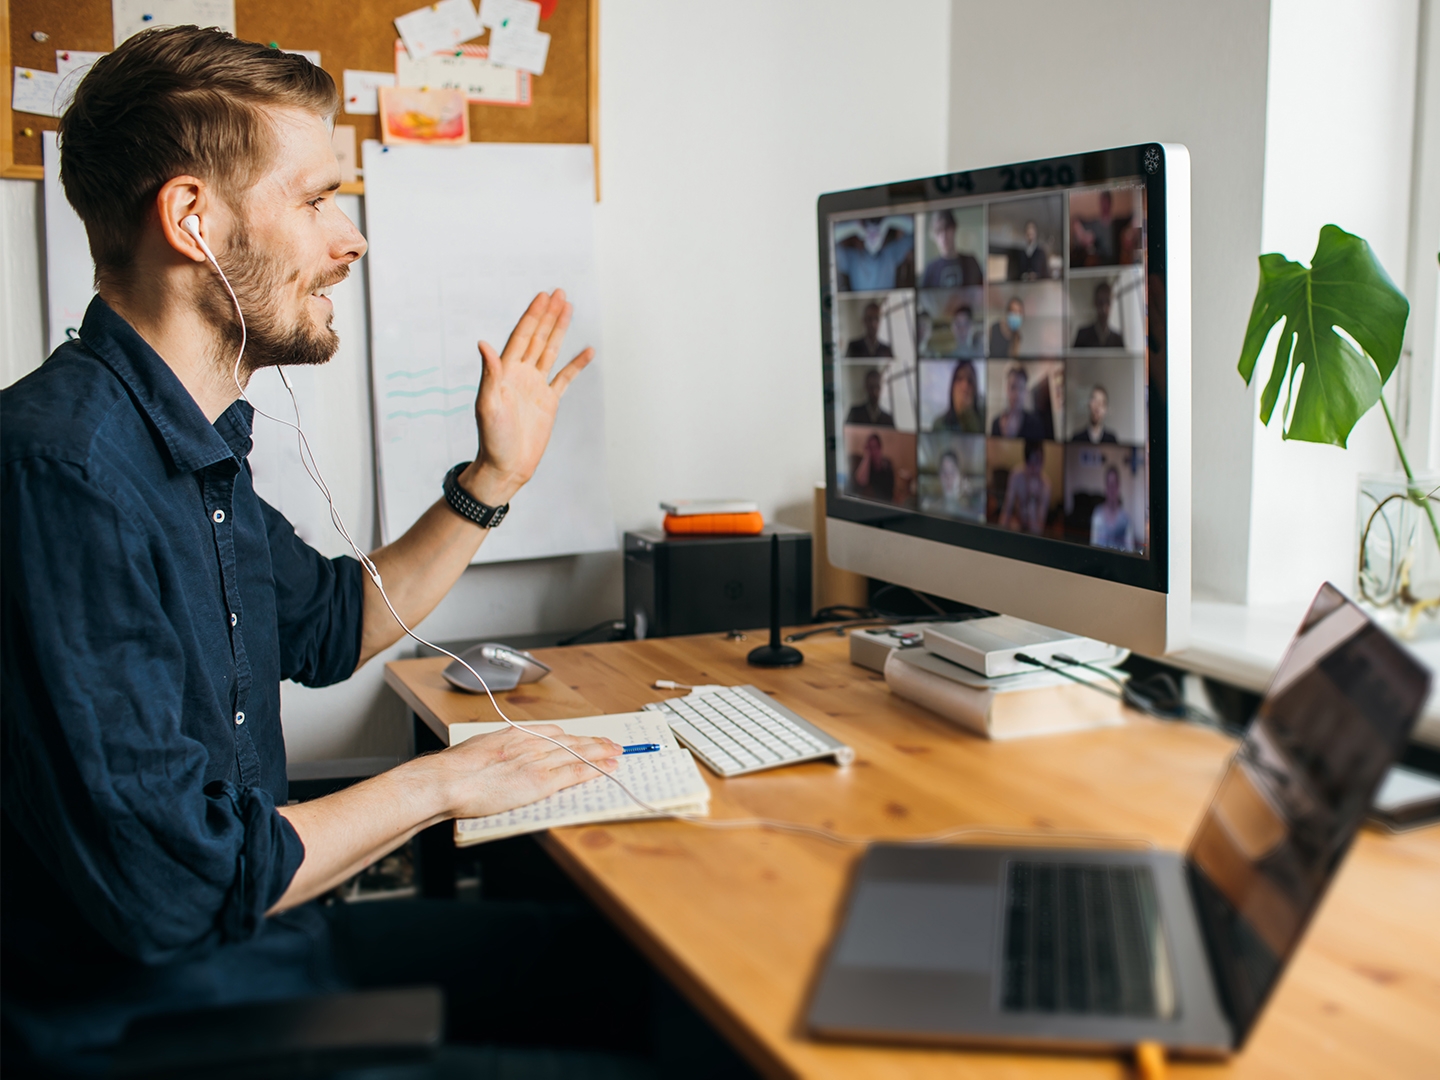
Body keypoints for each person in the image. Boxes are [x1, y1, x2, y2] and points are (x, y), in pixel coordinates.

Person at [0, 29, 652, 1078]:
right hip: (155, 1029)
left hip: (266, 956)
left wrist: (494, 479)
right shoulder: (64, 474)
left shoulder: (183, 443)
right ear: (192, 220)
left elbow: (335, 625)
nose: (348, 240)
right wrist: (442, 785)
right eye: (314, 201)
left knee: (637, 981)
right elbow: (175, 890)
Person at [835, 216, 914, 291]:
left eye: (877, 231)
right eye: (869, 232)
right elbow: (828, 238)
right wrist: (855, 227)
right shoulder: (852, 259)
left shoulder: (891, 254)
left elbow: (916, 230)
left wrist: (888, 222)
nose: (873, 237)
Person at [999, 439, 1051, 535]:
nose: (1033, 468)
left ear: (1043, 461)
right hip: (1016, 526)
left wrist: (1032, 498)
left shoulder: (1045, 486)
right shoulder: (1016, 476)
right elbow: (1007, 509)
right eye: (1030, 462)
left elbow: (1038, 530)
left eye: (1037, 462)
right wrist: (999, 535)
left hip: (1034, 532)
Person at [921, 209, 982, 287]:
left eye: (946, 228)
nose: (943, 236)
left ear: (954, 228)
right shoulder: (930, 270)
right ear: (934, 235)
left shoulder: (970, 262)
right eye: (938, 231)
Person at [990, 365, 1046, 439]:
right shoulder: (996, 423)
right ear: (1007, 389)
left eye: (1021, 388)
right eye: (1013, 387)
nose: (1017, 394)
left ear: (1025, 392)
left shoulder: (1035, 423)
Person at [1071, 189, 1118, 267]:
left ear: (1110, 203)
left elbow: (1134, 216)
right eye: (1103, 201)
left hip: (1114, 264)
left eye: (1106, 201)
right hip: (1098, 264)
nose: (1104, 205)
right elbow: (1076, 220)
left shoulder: (1116, 223)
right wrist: (1082, 234)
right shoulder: (1094, 223)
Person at [1090, 466, 1134, 550]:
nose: (1111, 489)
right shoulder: (1097, 515)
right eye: (1109, 484)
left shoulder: (1126, 520)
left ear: (1118, 486)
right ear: (1105, 487)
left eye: (1114, 484)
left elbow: (1130, 551)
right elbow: (1093, 547)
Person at [933, 360, 983, 433]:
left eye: (970, 381)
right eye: (959, 379)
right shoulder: (939, 424)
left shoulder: (982, 422)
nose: (965, 386)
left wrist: (968, 415)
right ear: (952, 388)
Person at [1072, 281, 1124, 348]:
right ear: (1095, 303)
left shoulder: (1117, 339)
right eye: (1100, 302)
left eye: (1107, 302)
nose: (1104, 308)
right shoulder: (1082, 335)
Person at [851, 432, 896, 501]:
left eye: (875, 447)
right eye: (870, 448)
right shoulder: (866, 465)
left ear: (880, 448)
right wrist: (867, 455)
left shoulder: (887, 465)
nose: (873, 451)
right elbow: (861, 481)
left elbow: (890, 493)